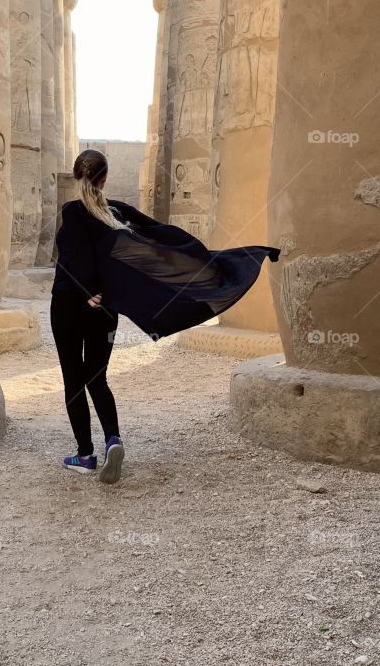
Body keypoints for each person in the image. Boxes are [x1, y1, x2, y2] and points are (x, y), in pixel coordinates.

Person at [51, 148, 279, 484]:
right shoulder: (117, 212)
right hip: (105, 312)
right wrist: (200, 258)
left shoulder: (72, 211)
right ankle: (113, 438)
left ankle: (85, 455)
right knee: (96, 378)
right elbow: (158, 235)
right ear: (105, 178)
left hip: (70, 305)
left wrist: (87, 290)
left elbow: (77, 253)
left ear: (76, 175)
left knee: (74, 381)